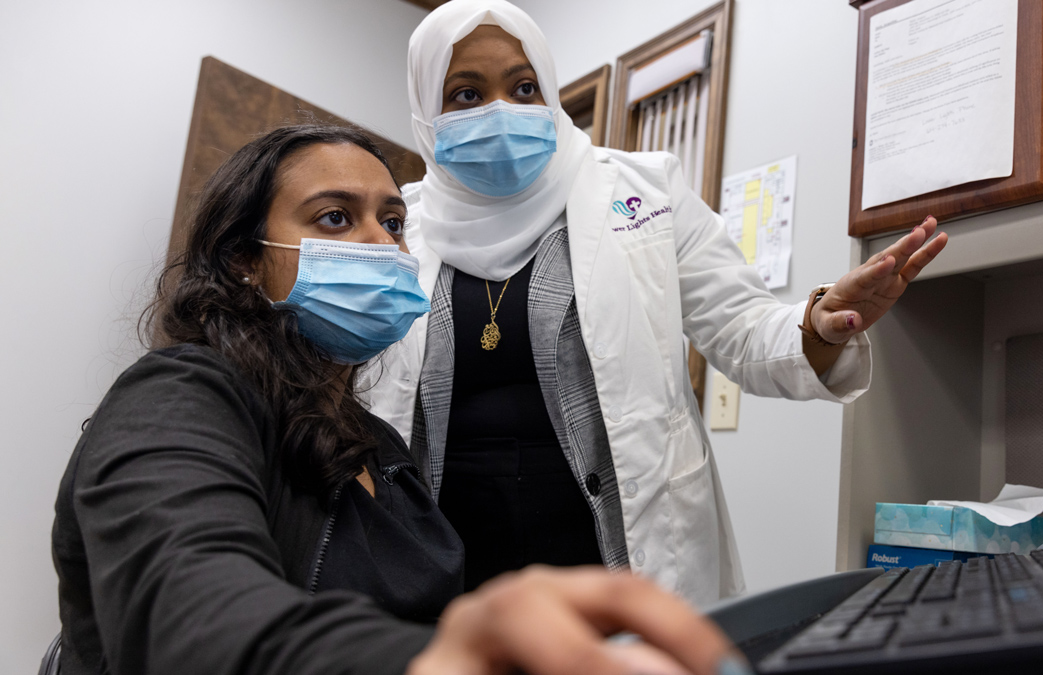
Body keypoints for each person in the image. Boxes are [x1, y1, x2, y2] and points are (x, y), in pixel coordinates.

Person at [51, 123, 750, 675]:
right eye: (333, 219)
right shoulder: (179, 396)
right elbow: (189, 615)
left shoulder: (377, 446)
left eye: (392, 221)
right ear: (243, 259)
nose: (380, 244)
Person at [366, 0, 949, 605]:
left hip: (615, 552)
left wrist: (817, 325)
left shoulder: (644, 190)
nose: (502, 111)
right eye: (465, 94)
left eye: (523, 86)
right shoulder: (394, 228)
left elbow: (742, 328)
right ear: (425, 109)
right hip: (452, 562)